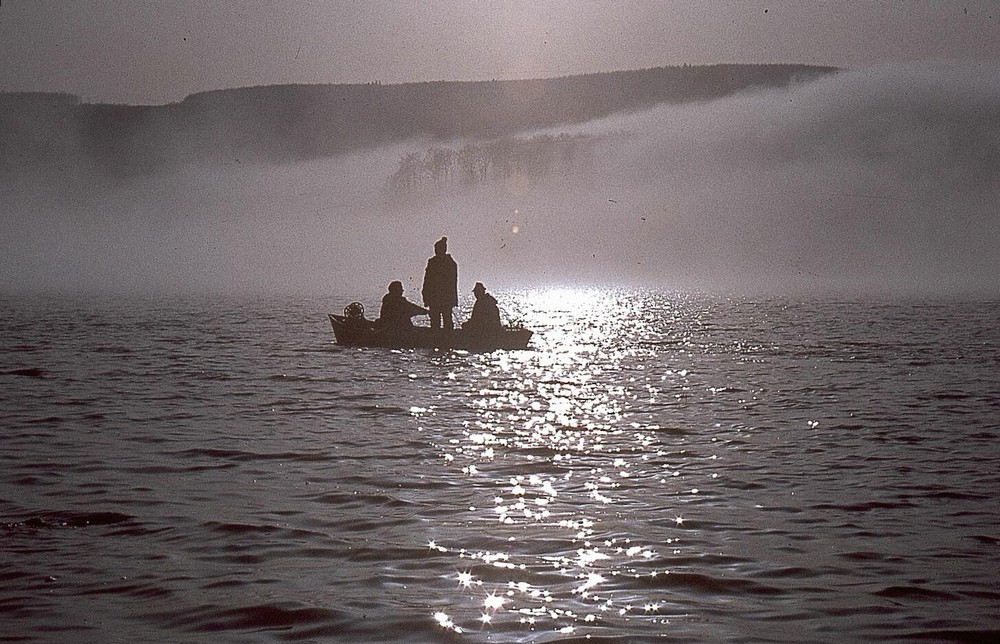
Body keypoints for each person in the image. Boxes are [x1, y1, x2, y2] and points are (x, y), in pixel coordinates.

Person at [421, 236, 458, 330]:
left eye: (437, 249)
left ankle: (446, 339)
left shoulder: (446, 263)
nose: (435, 251)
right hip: (438, 299)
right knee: (437, 321)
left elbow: (428, 281)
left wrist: (426, 296)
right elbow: (427, 281)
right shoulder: (447, 263)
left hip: (441, 299)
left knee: (444, 321)